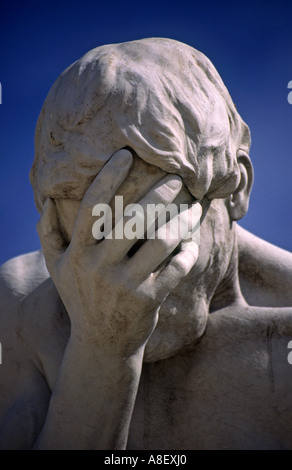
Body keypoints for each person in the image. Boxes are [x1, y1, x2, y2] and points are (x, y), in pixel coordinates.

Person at [0, 38, 292, 450]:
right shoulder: (18, 310)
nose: (119, 278)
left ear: (236, 189)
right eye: (92, 234)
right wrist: (101, 351)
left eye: (151, 225)